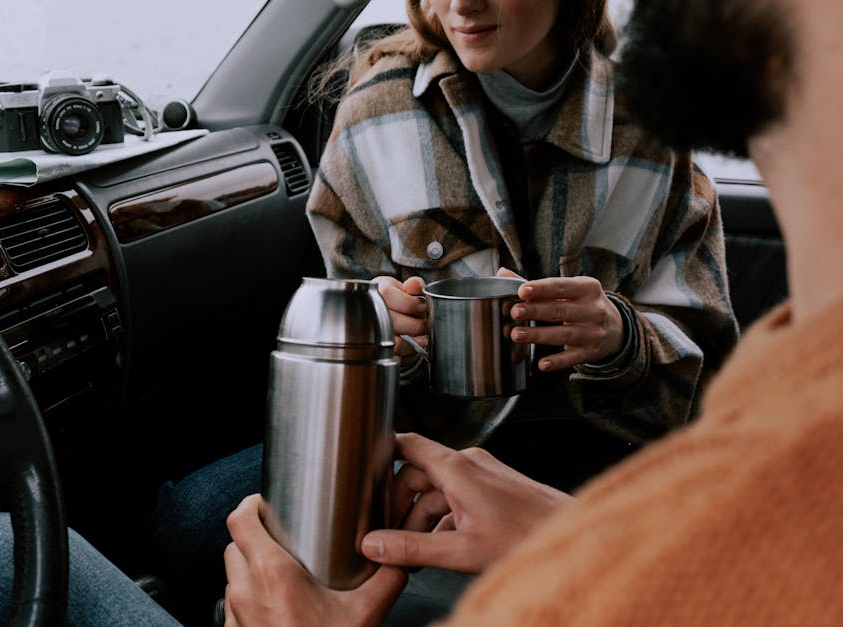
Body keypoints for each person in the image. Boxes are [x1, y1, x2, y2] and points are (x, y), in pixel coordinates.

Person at [220, 0, 843, 623]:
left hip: (603, 456)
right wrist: (389, 335)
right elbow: (345, 332)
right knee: (195, 517)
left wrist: (622, 337)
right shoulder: (372, 116)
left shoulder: (651, 120)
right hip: (420, 455)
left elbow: (710, 372)